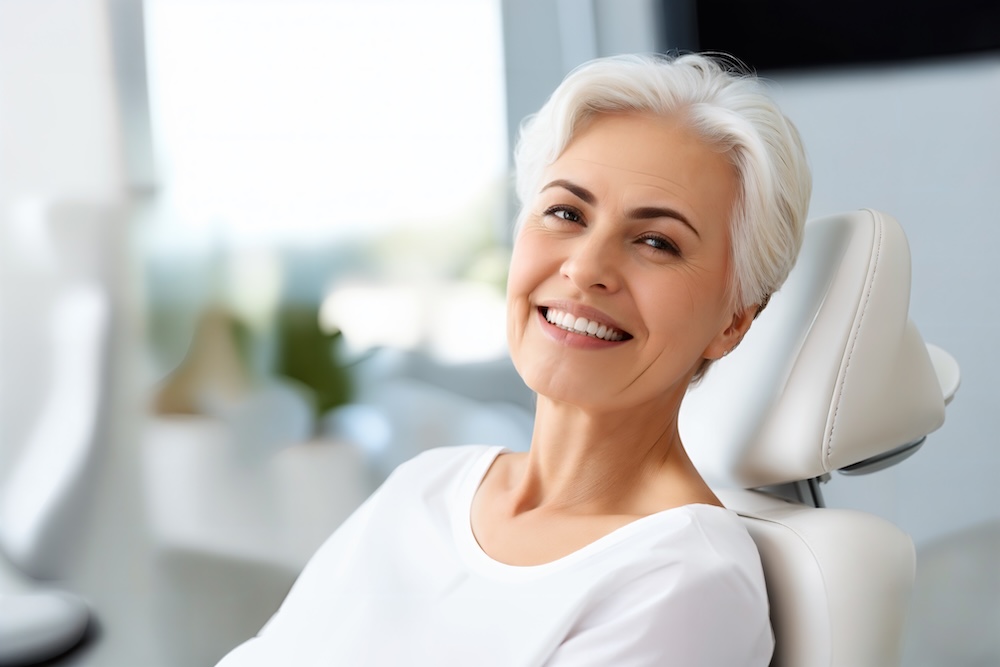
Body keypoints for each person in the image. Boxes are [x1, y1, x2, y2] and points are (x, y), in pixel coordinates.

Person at [216, 52, 811, 666]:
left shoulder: (684, 580)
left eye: (657, 242)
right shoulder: (427, 488)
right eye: (566, 213)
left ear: (734, 319)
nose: (585, 267)